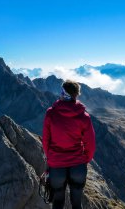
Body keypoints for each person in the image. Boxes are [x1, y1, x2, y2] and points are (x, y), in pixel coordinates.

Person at [42, 80, 96, 209]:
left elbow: (46, 140)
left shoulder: (51, 113)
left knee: (58, 202)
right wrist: (84, 160)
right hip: (78, 165)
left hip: (56, 165)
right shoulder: (84, 116)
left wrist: (50, 157)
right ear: (76, 95)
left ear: (63, 93)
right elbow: (91, 143)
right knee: (76, 203)